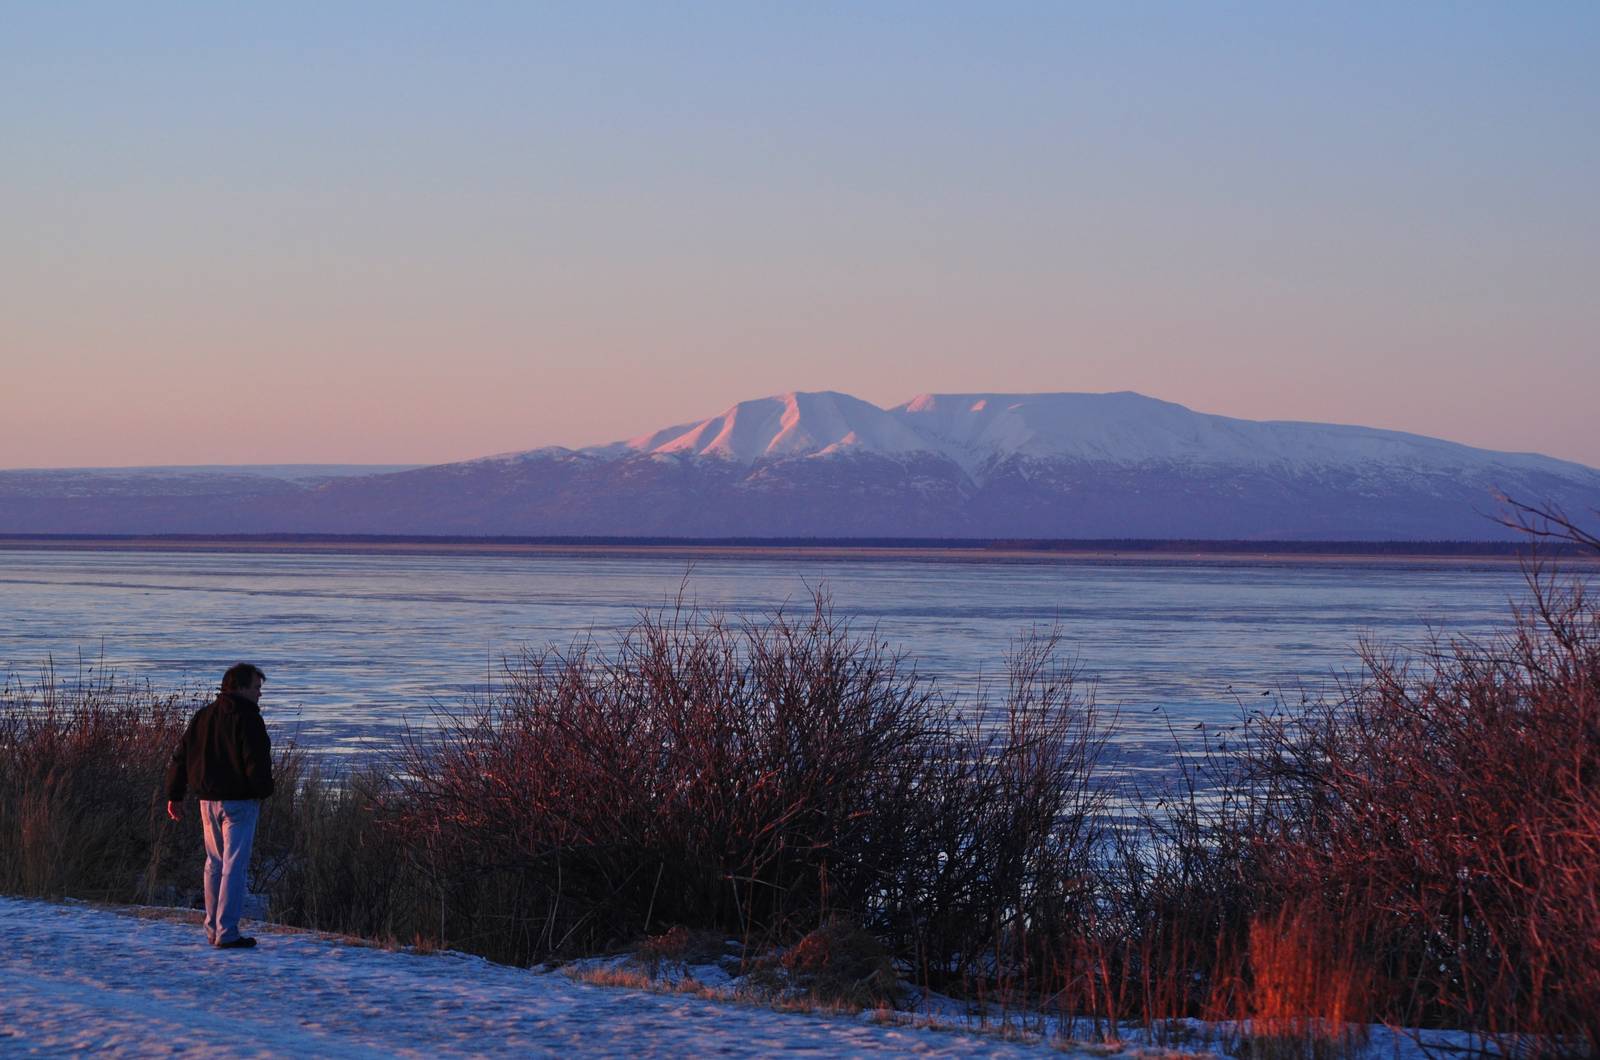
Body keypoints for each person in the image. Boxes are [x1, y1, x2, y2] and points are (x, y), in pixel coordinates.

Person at [164, 662, 275, 949]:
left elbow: (180, 757)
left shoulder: (203, 716)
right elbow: (256, 762)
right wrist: (262, 791)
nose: (259, 694)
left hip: (207, 801)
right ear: (239, 687)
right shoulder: (248, 719)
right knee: (234, 867)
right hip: (239, 802)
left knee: (214, 864)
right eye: (256, 688)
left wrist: (175, 795)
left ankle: (213, 928)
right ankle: (227, 931)